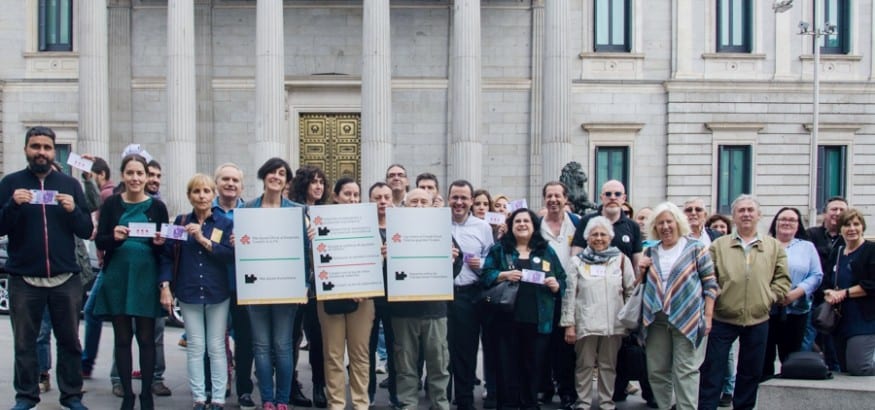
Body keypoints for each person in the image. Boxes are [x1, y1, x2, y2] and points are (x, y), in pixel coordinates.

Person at [0, 126, 94, 410]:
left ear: (54, 152)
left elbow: (86, 229)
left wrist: (72, 210)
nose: (41, 151)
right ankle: (26, 397)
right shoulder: (10, 183)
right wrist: (13, 205)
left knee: (69, 341)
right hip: (23, 279)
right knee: (25, 343)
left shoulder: (69, 185)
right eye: (35, 146)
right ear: (26, 149)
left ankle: (72, 396)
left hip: (65, 278)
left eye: (46, 147)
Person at [698, 195, 790, 410]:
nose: (746, 214)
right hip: (723, 317)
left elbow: (783, 278)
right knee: (713, 370)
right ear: (734, 216)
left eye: (750, 210)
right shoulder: (718, 246)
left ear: (759, 215)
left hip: (758, 318)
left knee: (750, 372)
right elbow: (708, 277)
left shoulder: (774, 246)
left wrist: (770, 296)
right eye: (741, 210)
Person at [93, 154, 169, 410]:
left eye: (140, 173)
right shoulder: (112, 204)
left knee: (147, 339)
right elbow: (100, 241)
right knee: (122, 338)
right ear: (123, 175)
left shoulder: (158, 207)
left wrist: (160, 244)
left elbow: (164, 247)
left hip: (146, 277)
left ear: (147, 177)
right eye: (130, 173)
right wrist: (113, 237)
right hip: (118, 277)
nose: (135, 178)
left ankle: (146, 394)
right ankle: (128, 394)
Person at [159, 174, 235, 410]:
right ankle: (199, 397)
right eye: (196, 191)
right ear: (189, 196)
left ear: (214, 195)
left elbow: (230, 256)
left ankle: (218, 398)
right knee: (195, 346)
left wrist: (202, 239)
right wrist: (165, 287)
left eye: (206, 191)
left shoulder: (224, 223)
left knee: (216, 346)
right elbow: (167, 258)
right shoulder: (180, 223)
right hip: (189, 291)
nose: (202, 196)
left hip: (217, 293)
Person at [482, 208, 564, 409]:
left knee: (532, 368)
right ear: (511, 226)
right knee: (506, 368)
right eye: (517, 221)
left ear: (534, 225)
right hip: (506, 320)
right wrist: (503, 275)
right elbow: (485, 275)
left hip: (537, 320)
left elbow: (562, 277)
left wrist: (556, 285)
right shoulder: (500, 249)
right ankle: (507, 405)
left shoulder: (546, 251)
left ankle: (529, 404)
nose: (522, 224)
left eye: (526, 221)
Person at [640, 202, 718, 410]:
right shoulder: (650, 251)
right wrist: (641, 270)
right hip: (656, 318)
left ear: (678, 223)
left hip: (688, 317)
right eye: (660, 223)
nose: (665, 227)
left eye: (669, 221)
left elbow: (711, 284)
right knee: (656, 371)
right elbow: (641, 285)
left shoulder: (696, 248)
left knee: (686, 370)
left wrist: (708, 316)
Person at [244, 157, 307, 410]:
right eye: (271, 172)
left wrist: (310, 237)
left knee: (282, 346)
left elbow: (304, 250)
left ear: (287, 180)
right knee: (261, 346)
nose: (276, 177)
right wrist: (239, 241)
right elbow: (243, 248)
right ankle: (267, 399)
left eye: (281, 173)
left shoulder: (297, 210)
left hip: (286, 287)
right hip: (256, 286)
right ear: (263, 176)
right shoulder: (247, 210)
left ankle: (282, 399)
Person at [391, 188, 457, 410]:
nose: (418, 205)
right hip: (403, 311)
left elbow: (455, 268)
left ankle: (440, 405)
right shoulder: (394, 230)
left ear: (431, 205)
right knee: (406, 365)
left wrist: (455, 258)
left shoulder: (441, 229)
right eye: (414, 202)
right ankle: (407, 405)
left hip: (434, 311)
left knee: (439, 365)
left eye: (423, 202)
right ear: (406, 205)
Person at [561, 216, 634, 410]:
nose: (599, 238)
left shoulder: (621, 260)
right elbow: (569, 295)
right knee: (584, 365)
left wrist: (629, 320)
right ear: (587, 238)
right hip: (585, 322)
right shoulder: (577, 261)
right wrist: (569, 324)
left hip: (613, 323)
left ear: (610, 237)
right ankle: (583, 402)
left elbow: (631, 291)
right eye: (594, 234)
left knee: (608, 366)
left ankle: (606, 403)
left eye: (603, 234)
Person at [318, 177, 374, 410]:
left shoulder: (367, 223)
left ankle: (361, 403)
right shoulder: (320, 222)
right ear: (336, 197)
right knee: (333, 355)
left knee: (360, 355)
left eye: (355, 195)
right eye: (347, 194)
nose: (352, 199)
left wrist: (365, 285)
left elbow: (373, 261)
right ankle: (337, 403)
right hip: (330, 297)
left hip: (362, 299)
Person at [447, 180, 495, 410]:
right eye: (455, 197)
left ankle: (465, 401)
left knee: (466, 351)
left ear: (471, 201)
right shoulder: (436, 224)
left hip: (469, 295)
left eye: (464, 198)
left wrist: (481, 264)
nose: (459, 202)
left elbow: (492, 262)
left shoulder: (482, 227)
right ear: (448, 199)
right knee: (441, 352)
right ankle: (441, 400)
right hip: (440, 295)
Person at [211, 163, 255, 410]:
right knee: (216, 340)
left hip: (244, 285)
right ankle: (219, 384)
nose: (230, 184)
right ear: (216, 183)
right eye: (225, 179)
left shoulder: (251, 213)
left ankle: (244, 389)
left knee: (245, 341)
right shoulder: (206, 211)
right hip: (216, 284)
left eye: (235, 180)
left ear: (242, 186)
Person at [761, 207, 822, 380]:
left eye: (792, 220)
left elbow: (816, 275)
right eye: (783, 219)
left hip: (796, 309)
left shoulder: (807, 247)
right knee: (764, 357)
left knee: (791, 357)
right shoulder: (764, 244)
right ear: (776, 223)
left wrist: (797, 292)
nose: (787, 223)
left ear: (798, 225)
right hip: (766, 309)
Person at [289, 165, 328, 408]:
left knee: (318, 339)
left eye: (321, 182)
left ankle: (319, 386)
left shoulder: (327, 213)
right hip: (294, 285)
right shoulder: (291, 212)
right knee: (292, 338)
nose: (318, 186)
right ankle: (291, 385)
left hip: (319, 287)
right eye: (313, 181)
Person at [537, 182, 579, 408]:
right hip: (542, 292)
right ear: (544, 199)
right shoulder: (537, 225)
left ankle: (567, 391)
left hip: (568, 292)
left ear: (565, 199)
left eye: (557, 196)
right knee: (542, 343)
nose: (553, 200)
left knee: (565, 347)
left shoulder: (577, 224)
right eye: (549, 196)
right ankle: (544, 388)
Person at [822, 209, 875, 376]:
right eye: (847, 225)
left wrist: (844, 293)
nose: (852, 228)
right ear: (840, 229)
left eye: (856, 224)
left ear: (862, 227)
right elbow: (827, 281)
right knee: (844, 370)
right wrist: (828, 293)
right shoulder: (837, 253)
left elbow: (872, 284)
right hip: (839, 320)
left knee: (859, 367)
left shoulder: (871, 250)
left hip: (864, 321)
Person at [367, 182, 400, 407]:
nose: (382, 201)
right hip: (368, 296)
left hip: (396, 296)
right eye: (377, 197)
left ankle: (396, 395)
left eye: (386, 197)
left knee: (395, 347)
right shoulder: (361, 227)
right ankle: (366, 394)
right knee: (366, 349)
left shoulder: (403, 226)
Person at [806, 197, 848, 364]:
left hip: (838, 300)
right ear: (825, 213)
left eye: (841, 210)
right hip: (813, 296)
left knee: (833, 348)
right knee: (807, 341)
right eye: (833, 209)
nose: (837, 213)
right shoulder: (811, 235)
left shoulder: (848, 237)